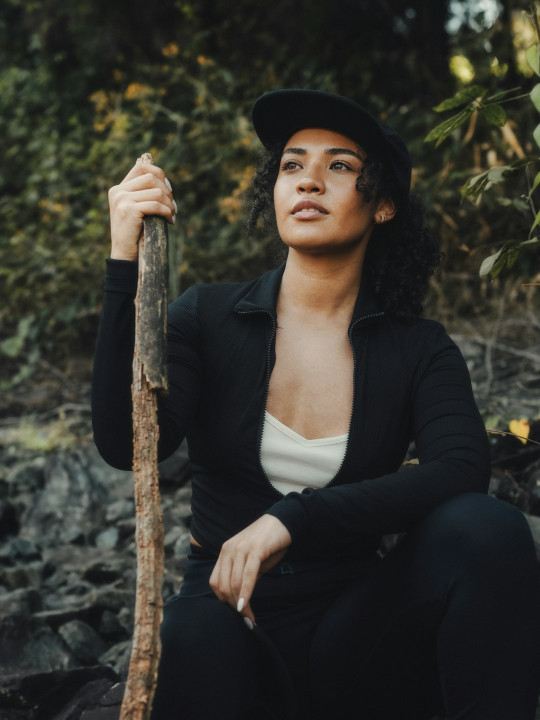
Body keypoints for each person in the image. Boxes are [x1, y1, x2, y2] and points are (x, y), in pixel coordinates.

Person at [92, 89, 540, 720]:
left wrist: (297, 518)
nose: (308, 182)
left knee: (486, 530)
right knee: (189, 640)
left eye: (339, 166)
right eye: (292, 165)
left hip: (352, 633)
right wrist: (122, 260)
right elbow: (125, 443)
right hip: (225, 618)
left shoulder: (418, 349)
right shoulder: (210, 317)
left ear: (382, 204)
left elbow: (462, 471)